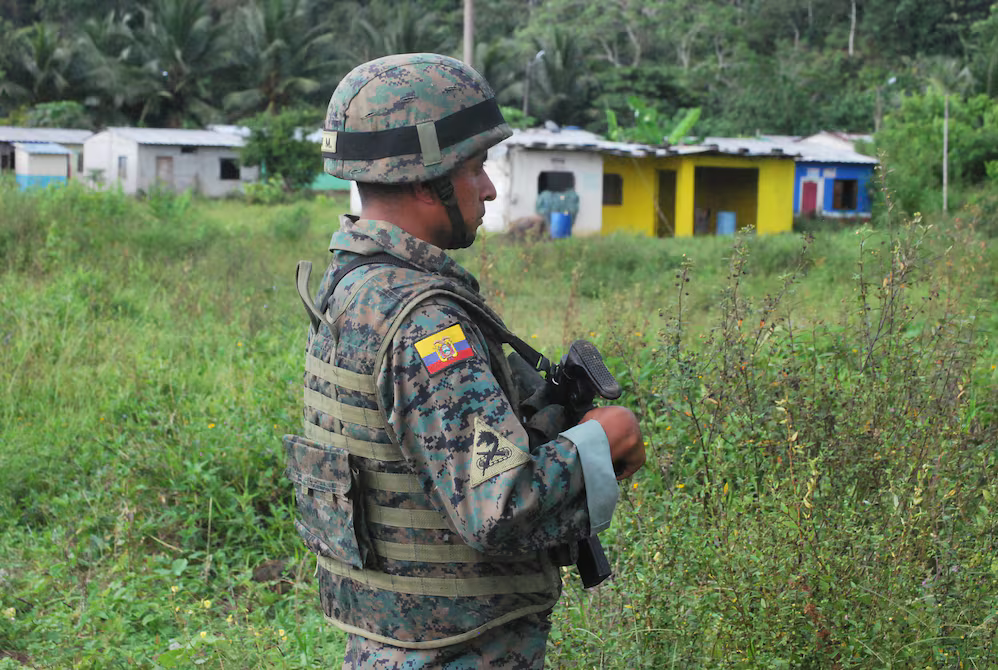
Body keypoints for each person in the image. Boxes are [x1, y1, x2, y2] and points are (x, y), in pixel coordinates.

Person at [285, 53, 645, 669]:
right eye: (476, 167)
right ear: (429, 182)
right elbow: (501, 508)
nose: (489, 187)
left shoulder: (352, 286)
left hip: (391, 644)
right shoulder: (424, 322)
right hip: (458, 650)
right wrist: (603, 440)